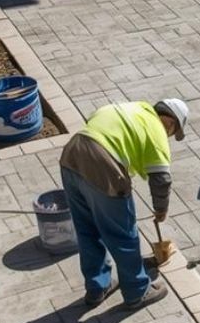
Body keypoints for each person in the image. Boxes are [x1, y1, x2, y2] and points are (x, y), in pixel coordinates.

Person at [59, 98, 189, 310]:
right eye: (173, 133)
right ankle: (138, 290)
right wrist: (161, 209)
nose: (169, 136)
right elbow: (161, 179)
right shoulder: (156, 129)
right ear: (171, 123)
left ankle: (97, 287)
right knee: (123, 234)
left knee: (87, 229)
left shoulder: (128, 109)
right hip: (103, 165)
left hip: (71, 155)